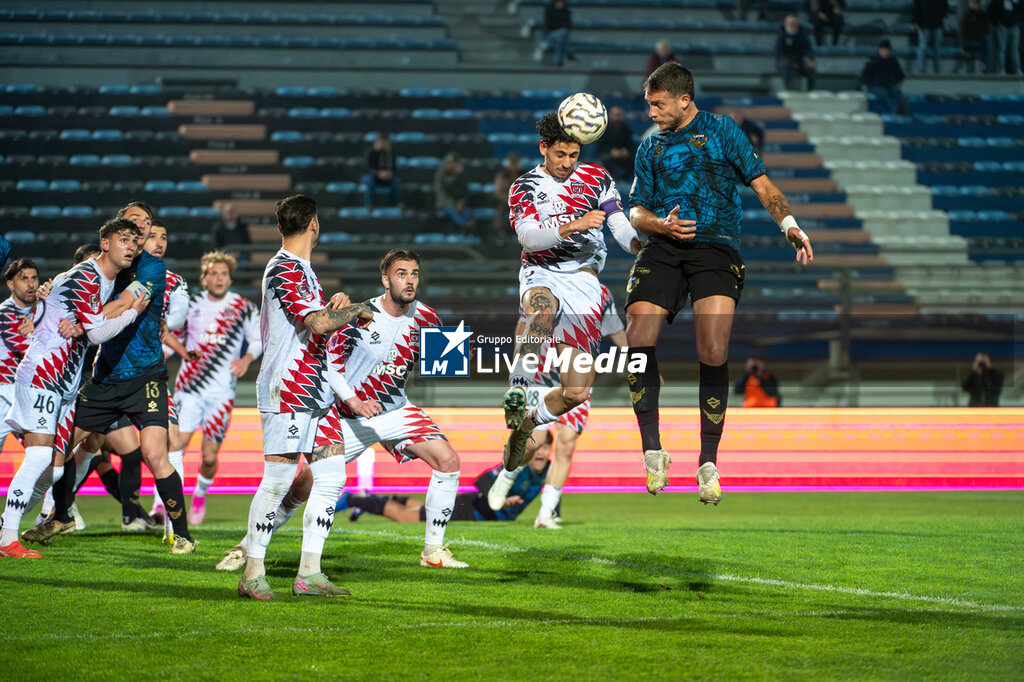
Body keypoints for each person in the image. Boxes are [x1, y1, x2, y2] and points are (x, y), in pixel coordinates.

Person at [625, 63, 813, 504]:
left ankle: (707, 461)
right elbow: (635, 211)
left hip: (716, 249)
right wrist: (660, 225)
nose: (651, 112)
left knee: (713, 349)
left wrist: (790, 225)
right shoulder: (649, 148)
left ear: (684, 99)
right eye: (649, 104)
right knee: (637, 338)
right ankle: (652, 450)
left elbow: (763, 185)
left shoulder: (723, 131)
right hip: (664, 246)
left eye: (658, 104)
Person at [237, 194, 372, 600]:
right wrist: (359, 309)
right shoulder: (285, 268)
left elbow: (317, 317)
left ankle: (309, 573)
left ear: (281, 227)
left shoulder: (303, 273)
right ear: (314, 224)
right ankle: (252, 572)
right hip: (288, 387)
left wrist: (337, 307)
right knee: (278, 479)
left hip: (316, 388)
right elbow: (316, 323)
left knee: (331, 475)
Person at [48, 202, 197, 553]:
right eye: (134, 222)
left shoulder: (152, 268)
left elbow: (129, 302)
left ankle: (182, 534)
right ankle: (58, 515)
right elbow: (71, 287)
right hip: (104, 376)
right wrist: (50, 296)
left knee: (153, 452)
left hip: (145, 376)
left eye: (147, 223)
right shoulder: (105, 265)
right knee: (65, 442)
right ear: (116, 231)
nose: (142, 229)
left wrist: (86, 320)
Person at [499, 112, 641, 477]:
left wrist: (638, 244)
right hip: (542, 272)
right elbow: (529, 237)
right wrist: (575, 224)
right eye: (559, 154)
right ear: (543, 148)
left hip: (584, 282)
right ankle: (517, 391)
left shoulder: (598, 179)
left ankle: (528, 423)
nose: (566, 163)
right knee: (540, 313)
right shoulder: (524, 186)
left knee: (576, 393)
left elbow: (618, 222)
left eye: (573, 155)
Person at [0, 219, 147, 558]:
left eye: (133, 243)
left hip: (65, 385)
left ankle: (6, 525)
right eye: (123, 239)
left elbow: (82, 322)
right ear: (105, 243)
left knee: (53, 470)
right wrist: (131, 312)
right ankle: (8, 539)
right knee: (38, 456)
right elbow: (96, 333)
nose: (130, 247)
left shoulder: (108, 282)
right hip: (41, 375)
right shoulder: (86, 276)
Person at [488, 283, 627, 529]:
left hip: (578, 374)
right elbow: (524, 324)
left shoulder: (601, 292)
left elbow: (613, 327)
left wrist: (633, 357)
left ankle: (546, 513)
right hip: (542, 373)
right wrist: (520, 365)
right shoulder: (544, 286)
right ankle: (506, 476)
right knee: (536, 441)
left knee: (565, 447)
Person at [170, 251, 260, 526]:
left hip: (221, 393)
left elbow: (257, 340)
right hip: (189, 387)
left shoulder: (243, 306)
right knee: (176, 446)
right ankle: (166, 503)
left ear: (230, 278)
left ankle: (199, 494)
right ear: (205, 277)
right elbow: (172, 336)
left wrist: (245, 359)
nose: (218, 278)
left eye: (223, 273)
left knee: (209, 456)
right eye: (213, 273)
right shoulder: (191, 303)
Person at [338, 431, 554, 524]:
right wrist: (500, 500)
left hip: (485, 513)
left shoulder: (550, 470)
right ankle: (352, 499)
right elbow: (482, 481)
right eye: (539, 448)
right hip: (475, 510)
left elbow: (554, 489)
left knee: (418, 508)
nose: (542, 453)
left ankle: (366, 498)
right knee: (406, 517)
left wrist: (553, 514)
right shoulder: (519, 466)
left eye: (546, 448)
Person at [0, 259, 44, 452]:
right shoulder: (5, 313)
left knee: (43, 452)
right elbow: (29, 350)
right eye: (23, 279)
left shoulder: (42, 310)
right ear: (10, 284)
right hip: (6, 389)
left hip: (26, 391)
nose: (31, 284)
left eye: (34, 278)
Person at [434, 151, 476, 234]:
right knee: (452, 211)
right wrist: (454, 204)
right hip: (445, 203)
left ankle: (468, 232)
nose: (450, 165)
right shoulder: (440, 174)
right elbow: (440, 192)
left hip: (458, 202)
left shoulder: (462, 174)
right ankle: (465, 225)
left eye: (452, 163)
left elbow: (465, 191)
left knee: (467, 211)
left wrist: (461, 202)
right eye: (448, 163)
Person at [861, 40, 907, 114]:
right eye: (882, 50)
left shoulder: (893, 62)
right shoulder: (874, 61)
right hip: (875, 87)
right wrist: (872, 84)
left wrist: (894, 83)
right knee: (884, 94)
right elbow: (864, 76)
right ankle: (894, 109)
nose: (883, 52)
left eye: (885, 50)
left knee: (897, 93)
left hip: (889, 87)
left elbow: (900, 75)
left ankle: (898, 109)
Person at [361, 132, 403, 208]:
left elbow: (395, 169)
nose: (382, 144)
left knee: (396, 181)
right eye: (381, 142)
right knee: (369, 180)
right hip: (372, 176)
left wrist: (391, 173)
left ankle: (398, 205)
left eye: (385, 142)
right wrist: (378, 173)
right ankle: (368, 205)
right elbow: (366, 168)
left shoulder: (391, 152)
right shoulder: (370, 151)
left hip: (386, 177)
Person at [776, 14, 817, 90]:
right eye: (790, 24)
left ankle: (810, 90)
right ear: (785, 24)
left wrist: (810, 59)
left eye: (794, 24)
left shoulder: (802, 34)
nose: (792, 26)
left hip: (800, 60)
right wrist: (792, 62)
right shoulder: (782, 35)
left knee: (810, 67)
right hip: (786, 60)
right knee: (784, 65)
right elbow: (781, 53)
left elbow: (807, 49)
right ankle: (788, 89)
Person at [597, 106, 636, 181]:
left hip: (622, 154)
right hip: (607, 154)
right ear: (610, 115)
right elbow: (599, 146)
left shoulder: (626, 129)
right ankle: (609, 182)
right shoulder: (603, 129)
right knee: (606, 160)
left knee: (634, 162)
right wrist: (611, 151)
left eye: (619, 115)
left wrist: (627, 152)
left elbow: (630, 145)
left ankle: (624, 181)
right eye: (616, 114)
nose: (617, 117)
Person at [493, 153, 524, 237]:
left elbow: (526, 191)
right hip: (503, 200)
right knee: (500, 210)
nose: (513, 165)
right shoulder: (502, 175)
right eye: (512, 163)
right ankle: (500, 232)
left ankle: (520, 231)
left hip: (518, 201)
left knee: (519, 209)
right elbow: (498, 192)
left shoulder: (523, 175)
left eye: (515, 163)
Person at [913, 0, 949, 74]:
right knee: (923, 47)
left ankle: (936, 69)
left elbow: (945, 7)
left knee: (937, 48)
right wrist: (916, 22)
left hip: (937, 25)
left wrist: (942, 17)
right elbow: (916, 8)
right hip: (923, 25)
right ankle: (922, 69)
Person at [988, 0, 1023, 75]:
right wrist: (997, 23)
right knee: (1002, 48)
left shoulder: (1014, 1)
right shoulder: (997, 2)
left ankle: (1017, 68)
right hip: (1002, 27)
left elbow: (1021, 10)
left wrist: (1017, 20)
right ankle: (1001, 69)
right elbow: (990, 11)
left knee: (1015, 50)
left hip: (1014, 26)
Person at [535, 0, 573, 67]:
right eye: (558, 2)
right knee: (563, 33)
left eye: (561, 2)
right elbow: (550, 25)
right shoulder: (550, 10)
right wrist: (561, 24)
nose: (560, 4)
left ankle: (560, 61)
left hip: (559, 36)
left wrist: (558, 25)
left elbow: (569, 26)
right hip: (550, 35)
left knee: (560, 39)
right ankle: (568, 55)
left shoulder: (566, 12)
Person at [959, 0, 991, 73]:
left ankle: (985, 68)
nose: (974, 4)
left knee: (987, 44)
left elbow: (986, 28)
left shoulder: (982, 14)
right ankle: (971, 70)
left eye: (976, 3)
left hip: (981, 40)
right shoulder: (967, 15)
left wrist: (981, 35)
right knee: (969, 50)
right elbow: (963, 31)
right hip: (970, 40)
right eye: (972, 3)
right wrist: (963, 43)